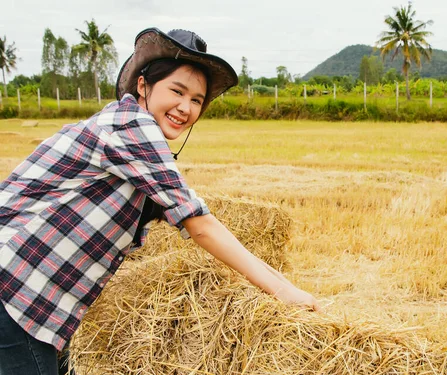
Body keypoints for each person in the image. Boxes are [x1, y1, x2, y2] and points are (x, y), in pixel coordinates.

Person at [0, 27, 320, 375]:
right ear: (143, 85)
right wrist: (283, 292)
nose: (185, 108)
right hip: (16, 294)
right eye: (177, 91)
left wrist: (288, 288)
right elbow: (201, 225)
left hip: (32, 303)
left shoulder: (129, 129)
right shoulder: (132, 128)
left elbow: (193, 211)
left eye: (197, 100)